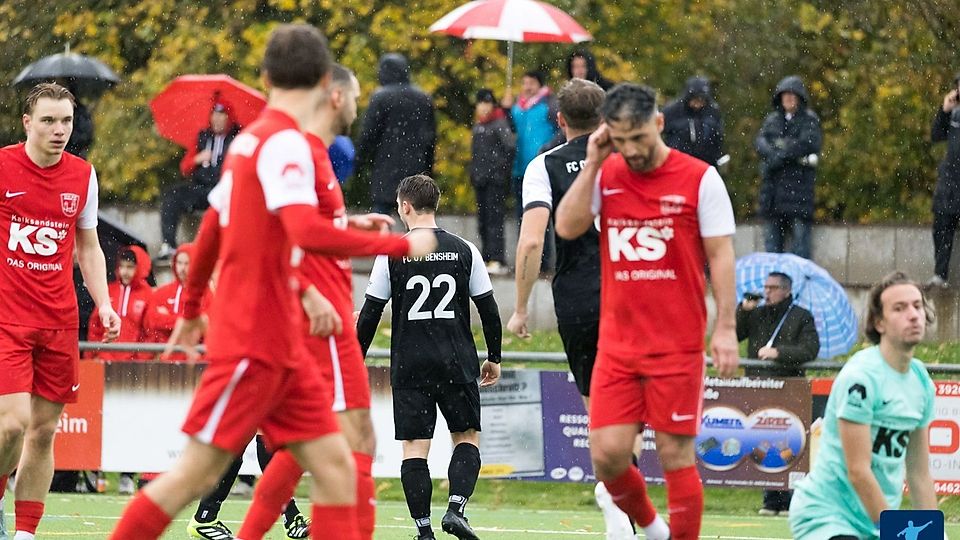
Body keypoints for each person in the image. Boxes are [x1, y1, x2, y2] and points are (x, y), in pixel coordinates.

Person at [108, 24, 436, 540]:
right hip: (254, 341)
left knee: (337, 467)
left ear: (265, 76)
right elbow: (302, 230)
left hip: (280, 340)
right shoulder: (284, 142)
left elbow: (217, 226)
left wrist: (193, 304)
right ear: (327, 81)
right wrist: (399, 245)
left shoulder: (251, 142)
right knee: (191, 476)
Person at [555, 83, 739, 540]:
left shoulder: (699, 178)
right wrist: (596, 161)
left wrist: (727, 328)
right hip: (617, 345)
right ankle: (654, 530)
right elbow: (567, 225)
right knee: (607, 455)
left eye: (639, 137)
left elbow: (721, 255)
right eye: (621, 140)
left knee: (675, 456)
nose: (632, 150)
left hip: (676, 345)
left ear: (658, 123)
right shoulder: (608, 172)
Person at [229, 63, 397, 540]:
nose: (361, 107)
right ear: (337, 98)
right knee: (355, 438)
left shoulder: (313, 153)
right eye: (358, 96)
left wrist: (349, 226)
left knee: (311, 445)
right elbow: (274, 235)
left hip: (321, 312)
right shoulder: (300, 150)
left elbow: (308, 230)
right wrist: (306, 292)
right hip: (322, 319)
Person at [507, 77, 635, 539]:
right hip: (632, 291)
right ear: (604, 118)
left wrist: (521, 307)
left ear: (559, 119)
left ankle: (616, 491)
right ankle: (622, 489)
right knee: (630, 401)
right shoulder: (628, 159)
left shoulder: (545, 166)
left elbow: (530, 241)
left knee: (598, 406)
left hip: (579, 296)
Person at [0, 82, 121, 540]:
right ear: (27, 123)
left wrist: (106, 304)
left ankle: (26, 535)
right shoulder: (3, 165)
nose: (59, 130)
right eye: (48, 120)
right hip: (7, 320)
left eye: (66, 121)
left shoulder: (82, 175)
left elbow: (88, 247)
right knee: (12, 423)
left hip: (58, 322)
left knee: (43, 432)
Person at [356, 174, 503, 540]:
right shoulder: (465, 249)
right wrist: (494, 356)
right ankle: (455, 509)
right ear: (434, 205)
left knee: (414, 449)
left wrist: (353, 360)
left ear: (405, 206)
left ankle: (424, 532)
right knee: (466, 438)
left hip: (411, 363)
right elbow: (489, 309)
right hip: (457, 361)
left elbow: (370, 313)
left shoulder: (393, 252)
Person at [789, 272, 940, 539]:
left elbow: (919, 474)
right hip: (827, 516)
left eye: (917, 305)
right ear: (879, 323)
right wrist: (899, 533)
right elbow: (858, 470)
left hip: (875, 520)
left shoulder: (921, 381)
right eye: (900, 308)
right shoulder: (861, 378)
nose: (914, 315)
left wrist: (931, 534)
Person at [736, 271, 819, 516]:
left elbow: (809, 349)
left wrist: (779, 353)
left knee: (788, 442)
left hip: (788, 388)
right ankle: (770, 498)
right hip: (759, 387)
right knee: (762, 442)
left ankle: (788, 497)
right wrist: (744, 310)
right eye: (766, 287)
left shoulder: (801, 316)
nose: (767, 292)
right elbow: (735, 334)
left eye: (772, 287)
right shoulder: (757, 314)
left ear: (786, 290)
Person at [356, 53, 436, 215]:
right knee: (415, 216)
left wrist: (359, 162)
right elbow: (430, 138)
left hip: (386, 167)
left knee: (381, 216)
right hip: (415, 167)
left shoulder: (381, 97)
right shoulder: (423, 98)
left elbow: (368, 135)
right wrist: (427, 169)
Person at [158, 103, 239, 259]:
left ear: (228, 118)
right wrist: (198, 159)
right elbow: (184, 167)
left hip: (223, 189)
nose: (217, 119)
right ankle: (169, 245)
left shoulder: (236, 138)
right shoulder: (203, 137)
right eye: (214, 114)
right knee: (172, 195)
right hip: (201, 187)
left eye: (221, 115)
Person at [755, 75, 822, 259]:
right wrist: (777, 152)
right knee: (772, 250)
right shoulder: (772, 120)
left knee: (800, 251)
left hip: (799, 193)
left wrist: (780, 153)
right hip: (773, 195)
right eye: (785, 96)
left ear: (800, 99)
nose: (789, 100)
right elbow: (761, 142)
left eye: (793, 96)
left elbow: (806, 144)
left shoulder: (809, 120)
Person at [470, 88, 515, 275]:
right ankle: (487, 256)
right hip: (480, 179)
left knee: (494, 220)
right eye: (480, 103)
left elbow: (510, 148)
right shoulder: (478, 126)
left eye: (487, 103)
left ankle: (497, 258)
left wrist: (498, 170)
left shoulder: (499, 124)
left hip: (494, 180)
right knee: (483, 220)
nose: (483, 107)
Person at [503, 70, 560, 219]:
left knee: (542, 213)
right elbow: (509, 130)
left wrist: (547, 149)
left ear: (540, 85)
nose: (527, 87)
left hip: (541, 167)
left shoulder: (550, 105)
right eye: (525, 83)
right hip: (520, 168)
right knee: (521, 213)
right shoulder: (517, 107)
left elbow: (561, 131)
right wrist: (506, 110)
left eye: (531, 83)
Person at [87, 245, 153, 362]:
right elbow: (95, 325)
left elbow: (150, 331)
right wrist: (93, 354)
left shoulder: (147, 294)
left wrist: (140, 359)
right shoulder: (108, 290)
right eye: (121, 266)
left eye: (130, 267)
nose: (124, 272)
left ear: (140, 267)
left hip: (133, 364)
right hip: (104, 359)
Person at [927, 73, 960, 289]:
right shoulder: (954, 113)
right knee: (941, 223)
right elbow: (936, 135)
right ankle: (940, 274)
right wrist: (944, 111)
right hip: (951, 179)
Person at [662, 76, 725, 168]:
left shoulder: (712, 112)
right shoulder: (673, 111)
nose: (698, 104)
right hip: (678, 164)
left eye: (701, 100)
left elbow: (718, 140)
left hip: (706, 163)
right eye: (695, 100)